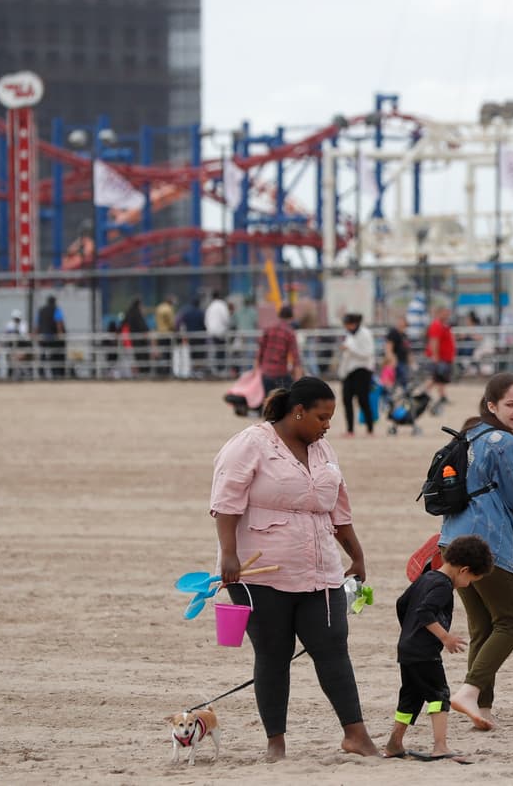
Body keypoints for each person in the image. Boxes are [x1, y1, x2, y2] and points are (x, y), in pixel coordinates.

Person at [209, 376, 379, 761]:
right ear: (297, 412)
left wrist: (357, 554)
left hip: (319, 569)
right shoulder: (251, 444)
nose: (328, 425)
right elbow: (226, 500)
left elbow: (339, 505)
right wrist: (229, 555)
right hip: (259, 571)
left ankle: (356, 734)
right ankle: (276, 743)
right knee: (273, 652)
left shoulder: (324, 449)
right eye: (322, 416)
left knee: (333, 648)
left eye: (331, 417)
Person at [439, 372, 513, 730]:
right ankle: (469, 691)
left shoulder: (467, 435)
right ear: (492, 405)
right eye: (511, 404)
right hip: (488, 544)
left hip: (452, 540)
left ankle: (483, 707)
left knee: (481, 626)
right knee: (511, 622)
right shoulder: (505, 443)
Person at [384, 535, 494, 761]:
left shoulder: (426, 578)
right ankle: (440, 746)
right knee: (439, 695)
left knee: (410, 698)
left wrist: (408, 631)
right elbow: (424, 612)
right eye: (473, 579)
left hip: (407, 649)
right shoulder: (443, 586)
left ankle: (394, 743)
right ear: (464, 570)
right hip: (424, 652)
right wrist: (445, 637)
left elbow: (401, 604)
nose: (470, 584)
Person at [337, 312, 376, 437]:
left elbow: (367, 353)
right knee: (346, 399)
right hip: (349, 371)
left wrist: (350, 349)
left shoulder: (365, 334)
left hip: (363, 370)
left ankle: (370, 429)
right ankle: (350, 429)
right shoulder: (350, 335)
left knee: (363, 400)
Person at [256, 304, 302, 395]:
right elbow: (296, 359)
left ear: (279, 316)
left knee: (267, 401)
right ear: (291, 317)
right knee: (287, 398)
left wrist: (257, 372)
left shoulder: (269, 329)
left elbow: (260, 352)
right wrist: (299, 381)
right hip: (280, 373)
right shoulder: (290, 332)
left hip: (266, 373)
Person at [425, 306, 456, 414]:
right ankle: (424, 393)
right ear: (439, 313)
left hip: (445, 358)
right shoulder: (436, 325)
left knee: (440, 378)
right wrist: (435, 357)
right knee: (435, 378)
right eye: (445, 312)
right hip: (440, 358)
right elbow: (434, 341)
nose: (447, 314)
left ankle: (442, 396)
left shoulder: (443, 325)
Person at [35, 295, 66, 379]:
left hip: (42, 337)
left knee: (42, 356)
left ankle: (41, 374)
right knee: (54, 355)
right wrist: (60, 334)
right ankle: (55, 373)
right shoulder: (56, 309)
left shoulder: (41, 311)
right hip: (53, 338)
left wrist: (36, 335)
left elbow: (37, 325)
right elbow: (58, 322)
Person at [176, 296, 206, 378]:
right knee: (199, 354)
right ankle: (198, 372)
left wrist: (180, 333)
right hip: (200, 337)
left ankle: (192, 371)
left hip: (190, 336)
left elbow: (178, 323)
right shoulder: (201, 312)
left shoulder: (186, 312)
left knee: (192, 354)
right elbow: (204, 325)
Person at [205, 290, 232, 378]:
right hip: (221, 332)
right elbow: (226, 319)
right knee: (221, 352)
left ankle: (214, 370)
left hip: (211, 333)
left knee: (213, 352)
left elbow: (206, 321)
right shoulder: (222, 305)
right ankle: (221, 370)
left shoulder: (210, 306)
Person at [383, 313, 412, 391]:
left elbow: (408, 350)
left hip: (403, 361)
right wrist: (391, 360)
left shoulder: (404, 335)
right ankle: (388, 400)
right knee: (392, 382)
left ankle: (404, 398)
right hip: (395, 362)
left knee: (404, 382)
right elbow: (388, 347)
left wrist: (411, 362)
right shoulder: (393, 333)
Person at [123, 298, 152, 377]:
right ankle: (140, 374)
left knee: (132, 361)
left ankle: (133, 374)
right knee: (140, 360)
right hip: (139, 342)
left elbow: (122, 325)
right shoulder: (138, 315)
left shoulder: (128, 313)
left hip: (129, 342)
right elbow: (144, 329)